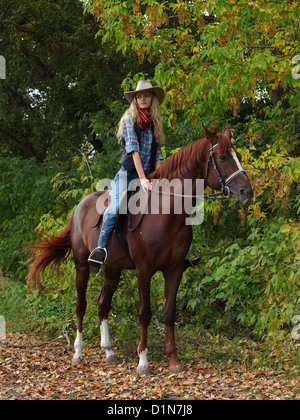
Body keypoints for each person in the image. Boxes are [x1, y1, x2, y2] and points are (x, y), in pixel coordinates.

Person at [88, 80, 165, 271]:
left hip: (149, 175)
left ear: (152, 98)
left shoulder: (154, 124)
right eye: (139, 96)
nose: (142, 99)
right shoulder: (129, 120)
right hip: (129, 175)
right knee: (115, 208)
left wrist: (160, 177)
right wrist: (143, 179)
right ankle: (100, 249)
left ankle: (176, 253)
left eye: (146, 95)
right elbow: (134, 152)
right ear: (135, 100)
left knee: (171, 205)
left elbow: (158, 155)